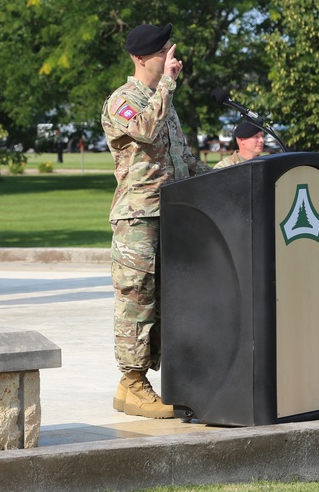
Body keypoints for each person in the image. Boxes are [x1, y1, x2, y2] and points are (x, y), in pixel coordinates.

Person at [101, 22, 211, 419]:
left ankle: (169, 380)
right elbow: (145, 131)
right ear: (141, 58)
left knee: (170, 301)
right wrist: (167, 85)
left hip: (174, 215)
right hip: (139, 217)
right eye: (165, 51)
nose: (172, 57)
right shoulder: (123, 100)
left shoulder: (165, 100)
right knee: (138, 299)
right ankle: (131, 383)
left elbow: (180, 159)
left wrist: (223, 175)